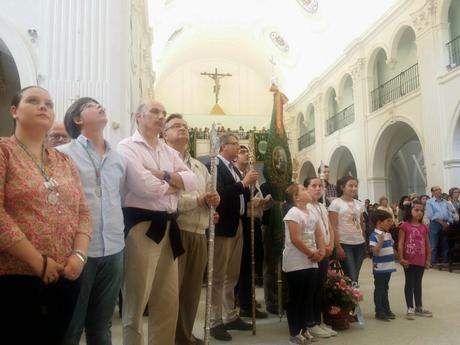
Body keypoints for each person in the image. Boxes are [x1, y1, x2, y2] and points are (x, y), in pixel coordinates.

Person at [0, 86, 92, 345]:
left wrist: (79, 255)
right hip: (17, 275)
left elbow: (83, 211)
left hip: (67, 274)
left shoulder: (64, 161)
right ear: (14, 111)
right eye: (34, 101)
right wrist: (37, 261)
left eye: (49, 104)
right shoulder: (4, 151)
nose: (43, 107)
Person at [118, 100, 198, 345]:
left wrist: (162, 175)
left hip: (168, 227)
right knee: (136, 297)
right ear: (138, 116)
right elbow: (143, 187)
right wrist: (175, 184)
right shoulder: (127, 147)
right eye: (155, 112)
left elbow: (194, 181)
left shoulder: (167, 151)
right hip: (142, 227)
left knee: (167, 299)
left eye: (163, 113)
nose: (161, 116)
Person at [58, 97, 126, 345]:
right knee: (72, 326)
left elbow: (121, 197)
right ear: (78, 119)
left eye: (101, 104)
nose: (100, 106)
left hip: (115, 249)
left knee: (102, 325)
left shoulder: (118, 158)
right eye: (91, 105)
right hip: (79, 252)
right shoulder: (62, 155)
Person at [162, 113, 220, 345]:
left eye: (185, 126)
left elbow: (209, 192)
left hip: (199, 232)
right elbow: (169, 199)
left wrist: (213, 202)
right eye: (175, 126)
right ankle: (167, 337)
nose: (182, 129)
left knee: (192, 291)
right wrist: (198, 200)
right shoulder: (164, 162)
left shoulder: (198, 166)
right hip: (176, 231)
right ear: (164, 134)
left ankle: (184, 336)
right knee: (171, 291)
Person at [207, 132, 258, 341]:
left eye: (238, 144)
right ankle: (214, 321)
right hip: (222, 227)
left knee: (232, 275)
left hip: (237, 225)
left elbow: (241, 194)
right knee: (218, 276)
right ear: (222, 147)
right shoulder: (216, 166)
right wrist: (243, 183)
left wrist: (250, 188)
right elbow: (220, 194)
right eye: (234, 144)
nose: (238, 147)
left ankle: (230, 315)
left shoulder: (234, 168)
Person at [283, 184, 325, 345]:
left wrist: (321, 251)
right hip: (296, 261)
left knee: (308, 296)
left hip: (312, 260)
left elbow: (319, 234)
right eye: (303, 190)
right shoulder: (293, 212)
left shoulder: (312, 211)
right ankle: (295, 332)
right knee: (296, 297)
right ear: (296, 197)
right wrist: (311, 253)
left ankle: (304, 329)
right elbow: (295, 238)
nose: (307, 191)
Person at [234, 145, 272, 319]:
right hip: (242, 221)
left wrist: (263, 202)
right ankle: (241, 302)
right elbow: (241, 200)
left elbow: (255, 199)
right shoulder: (235, 175)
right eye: (242, 152)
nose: (246, 154)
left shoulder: (253, 176)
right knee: (241, 264)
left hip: (255, 221)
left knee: (253, 263)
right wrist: (258, 202)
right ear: (235, 158)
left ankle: (248, 299)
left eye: (247, 152)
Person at [303, 177, 337, 338]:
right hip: (315, 252)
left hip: (325, 250)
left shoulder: (322, 206)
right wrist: (322, 248)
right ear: (306, 189)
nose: (318, 188)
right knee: (312, 288)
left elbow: (328, 226)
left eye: (320, 186)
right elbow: (311, 231)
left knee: (320, 288)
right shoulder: (306, 207)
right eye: (313, 186)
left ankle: (318, 320)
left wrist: (331, 244)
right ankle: (310, 322)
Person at [398, 200, 432, 320]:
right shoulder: (404, 226)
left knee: (418, 283)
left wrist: (428, 259)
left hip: (421, 259)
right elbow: (401, 243)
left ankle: (419, 307)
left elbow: (428, 245)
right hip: (409, 260)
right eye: (416, 210)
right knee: (410, 282)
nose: (419, 213)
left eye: (421, 210)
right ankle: (410, 307)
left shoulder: (424, 227)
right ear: (410, 211)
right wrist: (401, 258)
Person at [329, 176, 366, 284]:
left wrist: (364, 241)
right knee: (351, 276)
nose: (354, 188)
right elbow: (333, 227)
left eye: (355, 186)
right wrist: (338, 246)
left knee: (355, 277)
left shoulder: (359, 204)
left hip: (359, 243)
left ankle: (353, 299)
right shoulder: (336, 203)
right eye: (350, 185)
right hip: (345, 243)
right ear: (342, 187)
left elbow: (361, 224)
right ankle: (352, 299)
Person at [369, 210, 396, 321]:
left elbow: (391, 248)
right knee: (379, 288)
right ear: (379, 222)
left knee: (385, 288)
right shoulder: (374, 236)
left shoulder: (388, 234)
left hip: (389, 266)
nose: (391, 223)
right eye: (388, 221)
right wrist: (380, 241)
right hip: (380, 267)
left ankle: (386, 309)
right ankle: (379, 311)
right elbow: (375, 252)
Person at [425, 186, 453, 265]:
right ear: (433, 192)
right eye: (436, 190)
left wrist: (447, 223)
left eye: (440, 189)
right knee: (434, 244)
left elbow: (450, 214)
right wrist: (442, 223)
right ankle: (432, 262)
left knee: (445, 243)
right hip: (435, 224)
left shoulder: (445, 202)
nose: (439, 191)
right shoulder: (429, 202)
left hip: (445, 223)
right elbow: (430, 215)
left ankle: (445, 261)